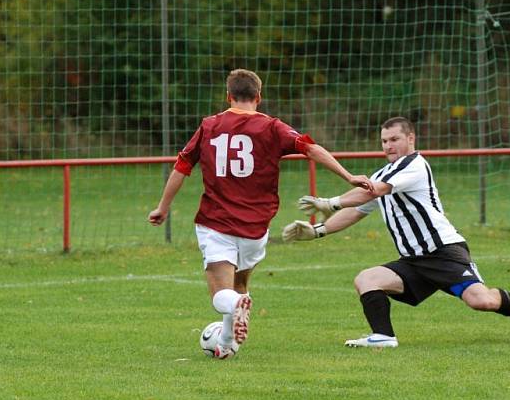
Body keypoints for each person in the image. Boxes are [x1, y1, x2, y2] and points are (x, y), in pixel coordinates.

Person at [281, 116, 510, 348]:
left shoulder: (415, 166)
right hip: (414, 261)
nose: (388, 146)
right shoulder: (384, 172)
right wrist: (318, 230)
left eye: (394, 139)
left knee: (482, 301)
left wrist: (329, 202)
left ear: (411, 139)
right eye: (384, 141)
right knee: (367, 279)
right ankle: (383, 337)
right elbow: (357, 210)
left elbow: (373, 192)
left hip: (445, 253)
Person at [149, 69, 373, 359]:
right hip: (256, 228)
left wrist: (163, 207)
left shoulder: (210, 125)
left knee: (222, 294)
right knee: (240, 287)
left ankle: (235, 311)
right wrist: (348, 175)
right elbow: (311, 148)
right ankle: (227, 344)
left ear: (228, 96)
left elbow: (182, 166)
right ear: (259, 97)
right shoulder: (273, 127)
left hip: (216, 223)